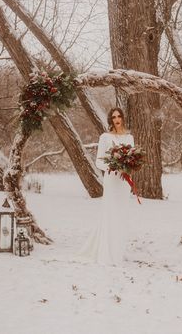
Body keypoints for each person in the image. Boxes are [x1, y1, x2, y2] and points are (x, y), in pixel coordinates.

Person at [77, 107, 134, 266]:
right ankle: (107, 251)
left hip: (124, 182)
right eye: (114, 117)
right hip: (112, 180)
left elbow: (133, 158)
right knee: (110, 213)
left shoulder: (130, 137)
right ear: (111, 120)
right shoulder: (105, 137)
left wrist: (128, 166)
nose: (117, 119)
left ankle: (118, 250)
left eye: (119, 116)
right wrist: (114, 166)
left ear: (122, 118)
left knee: (122, 215)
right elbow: (99, 161)